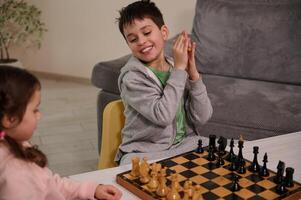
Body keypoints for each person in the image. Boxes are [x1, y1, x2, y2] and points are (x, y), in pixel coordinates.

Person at [0, 66, 122, 200]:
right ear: (9, 119)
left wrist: (89, 189)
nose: (39, 115)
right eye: (34, 110)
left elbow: (49, 183)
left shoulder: (15, 144)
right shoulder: (16, 176)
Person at [116, 0, 213, 165]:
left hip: (183, 145)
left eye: (146, 32)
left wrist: (193, 76)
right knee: (130, 166)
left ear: (164, 32)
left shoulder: (176, 69)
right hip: (147, 151)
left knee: (216, 148)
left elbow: (202, 117)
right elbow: (163, 115)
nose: (141, 41)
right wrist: (180, 71)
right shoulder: (132, 78)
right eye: (133, 39)